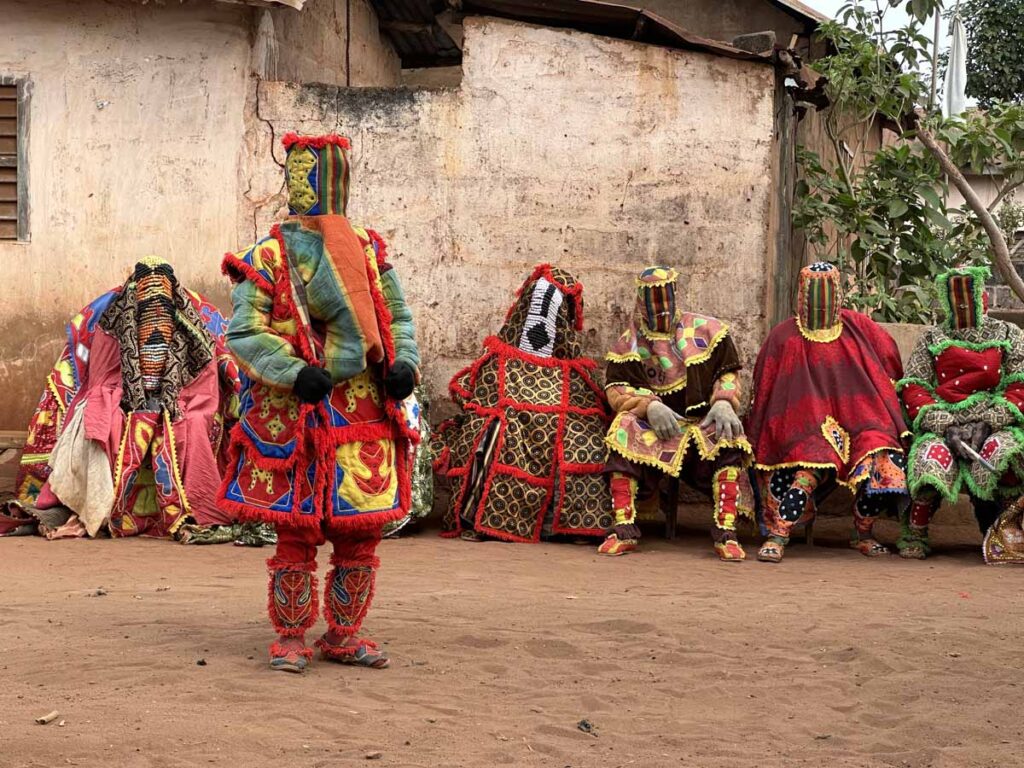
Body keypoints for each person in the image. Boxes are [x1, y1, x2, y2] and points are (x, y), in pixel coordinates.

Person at [218, 133, 420, 672]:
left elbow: (397, 318)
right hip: (298, 414)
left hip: (364, 414)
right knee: (297, 529)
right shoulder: (267, 255)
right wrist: (293, 371)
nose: (312, 186)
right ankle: (290, 636)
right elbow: (243, 333)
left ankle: (344, 635)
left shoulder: (370, 251)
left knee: (361, 529)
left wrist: (405, 365)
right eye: (304, 174)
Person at [15, 257, 240, 538]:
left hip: (182, 402)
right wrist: (125, 399)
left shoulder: (192, 330)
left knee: (192, 426)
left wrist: (179, 405)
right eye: (148, 291)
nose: (155, 298)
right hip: (124, 398)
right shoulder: (113, 325)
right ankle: (100, 510)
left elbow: (203, 387)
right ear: (134, 292)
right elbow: (101, 379)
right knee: (100, 419)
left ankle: (196, 513)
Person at [433, 265, 613, 542]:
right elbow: (481, 400)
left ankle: (564, 526)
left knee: (585, 440)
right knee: (490, 433)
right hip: (511, 426)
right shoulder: (499, 358)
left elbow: (590, 409)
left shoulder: (576, 372)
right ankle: (481, 520)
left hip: (554, 434)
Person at [745, 262, 909, 562]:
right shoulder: (783, 337)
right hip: (804, 426)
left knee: (888, 461)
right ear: (801, 295)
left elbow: (887, 363)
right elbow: (767, 388)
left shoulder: (860, 329)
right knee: (812, 464)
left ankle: (863, 531)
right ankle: (779, 534)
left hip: (861, 420)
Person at [601, 266, 753, 560]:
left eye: (665, 300)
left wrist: (723, 401)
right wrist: (649, 406)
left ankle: (726, 532)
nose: (661, 309)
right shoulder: (629, 342)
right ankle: (623, 528)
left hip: (700, 425)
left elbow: (729, 374)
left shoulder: (707, 331)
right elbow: (616, 390)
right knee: (623, 428)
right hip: (655, 430)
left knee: (730, 437)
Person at [898, 266, 1024, 559]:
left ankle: (1005, 529)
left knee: (1005, 452)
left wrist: (989, 423)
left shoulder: (1008, 334)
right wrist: (946, 426)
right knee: (930, 457)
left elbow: (1019, 385)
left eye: (970, 299)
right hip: (945, 422)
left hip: (994, 422)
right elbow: (914, 387)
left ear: (984, 299)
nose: (964, 306)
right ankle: (916, 531)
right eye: (956, 301)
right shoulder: (932, 338)